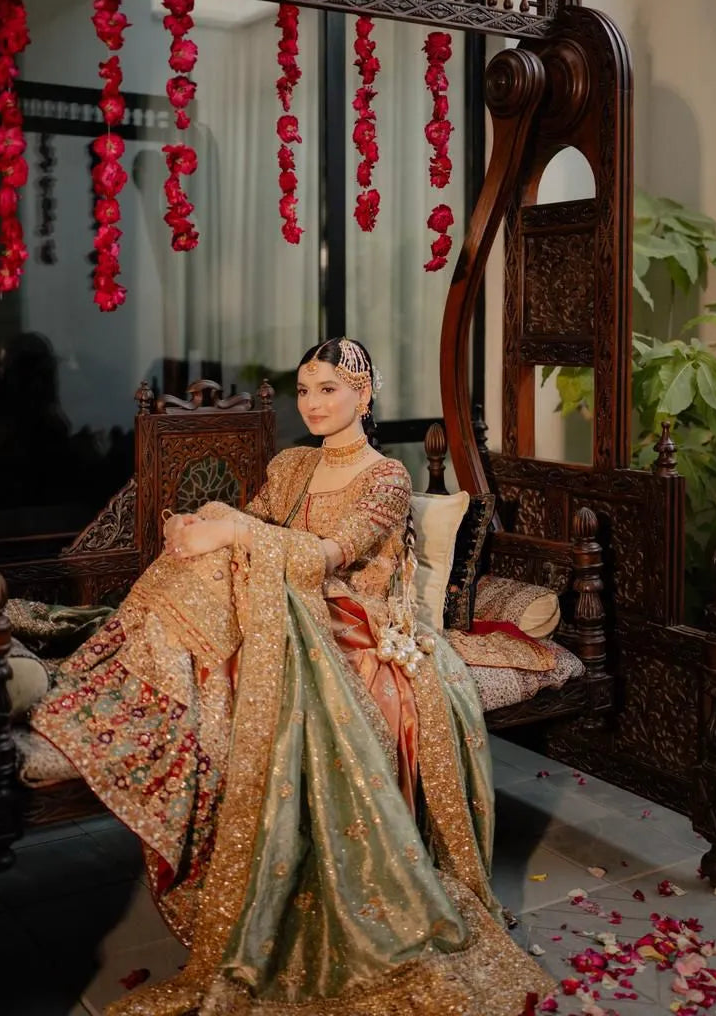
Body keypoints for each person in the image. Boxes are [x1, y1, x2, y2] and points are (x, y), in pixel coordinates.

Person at [32, 338, 550, 1016]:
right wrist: (211, 524)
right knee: (208, 557)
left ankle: (140, 690)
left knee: (229, 562)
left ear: (364, 395)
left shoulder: (385, 477)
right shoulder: (293, 463)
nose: (312, 403)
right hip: (293, 601)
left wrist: (234, 538)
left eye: (328, 389)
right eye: (305, 390)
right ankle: (139, 683)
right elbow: (258, 527)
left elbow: (332, 556)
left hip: (356, 622)